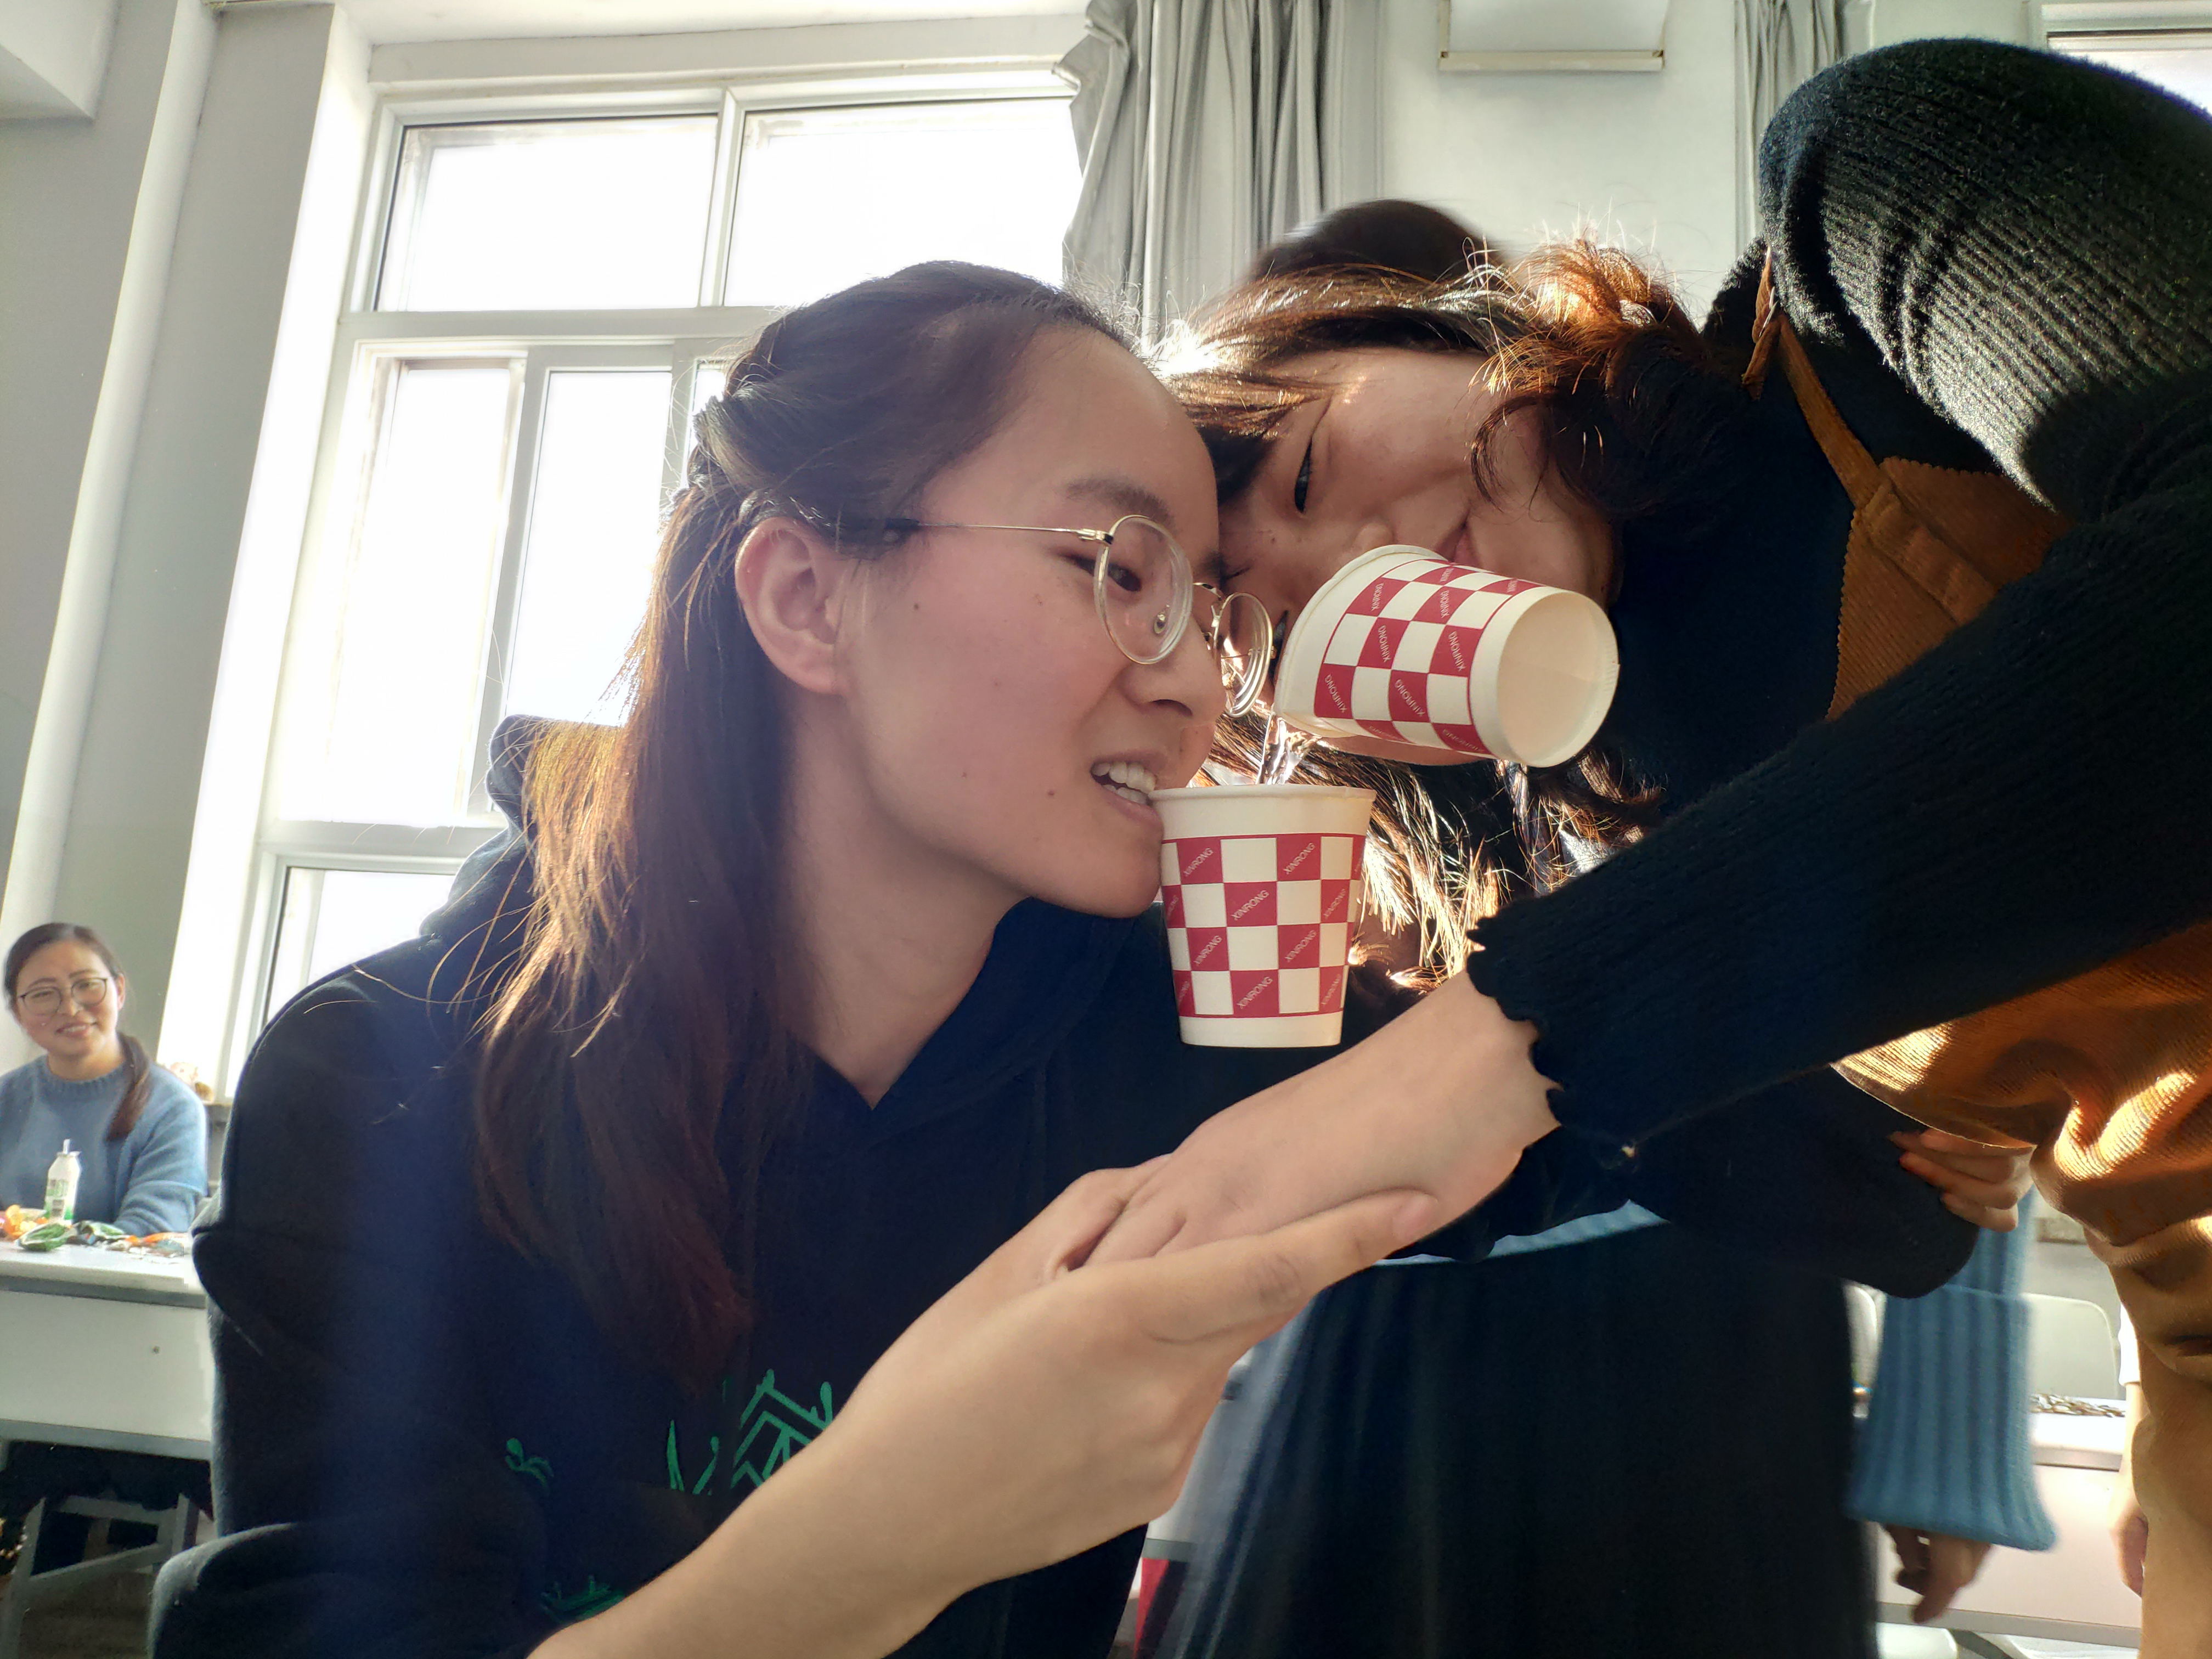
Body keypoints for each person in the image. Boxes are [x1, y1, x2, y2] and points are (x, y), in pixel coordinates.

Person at [146, 263, 1975, 1659]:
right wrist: (890, 1528)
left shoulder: (1191, 1029)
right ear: (804, 598)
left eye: (1213, 615)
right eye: (1119, 567)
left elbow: (1859, 1178)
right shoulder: (383, 1082)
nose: (1196, 685)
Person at [1109, 36, 2212, 1652]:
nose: (1367, 561)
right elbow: (1902, 1220)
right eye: (1285, 632)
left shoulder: (1866, 199)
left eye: (1310, 468)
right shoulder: (1632, 827)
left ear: (1422, 326)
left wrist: (1530, 1032)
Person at [2, 922, 206, 1234]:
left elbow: (150, 1232)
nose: (71, 1008)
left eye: (87, 985)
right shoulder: (6, 1097)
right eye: (44, 994)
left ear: (119, 991)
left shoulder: (173, 1108)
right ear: (18, 1013)